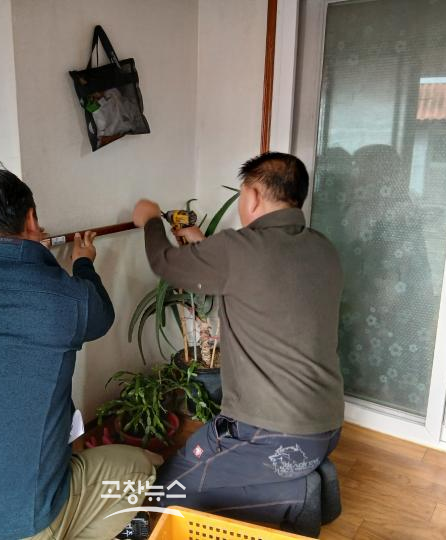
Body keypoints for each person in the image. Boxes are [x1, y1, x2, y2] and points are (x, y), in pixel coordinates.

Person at [0, 164, 162, 540]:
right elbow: (100, 313)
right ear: (32, 219)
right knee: (140, 467)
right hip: (15, 528)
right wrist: (83, 263)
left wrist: (33, 256)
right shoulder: (68, 299)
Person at [132, 152, 345, 535]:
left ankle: (298, 492)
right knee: (205, 463)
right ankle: (309, 475)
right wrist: (205, 245)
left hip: (273, 436)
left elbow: (164, 261)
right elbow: (265, 281)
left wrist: (149, 218)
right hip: (326, 424)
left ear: (254, 196)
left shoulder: (238, 250)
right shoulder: (322, 247)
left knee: (170, 488)